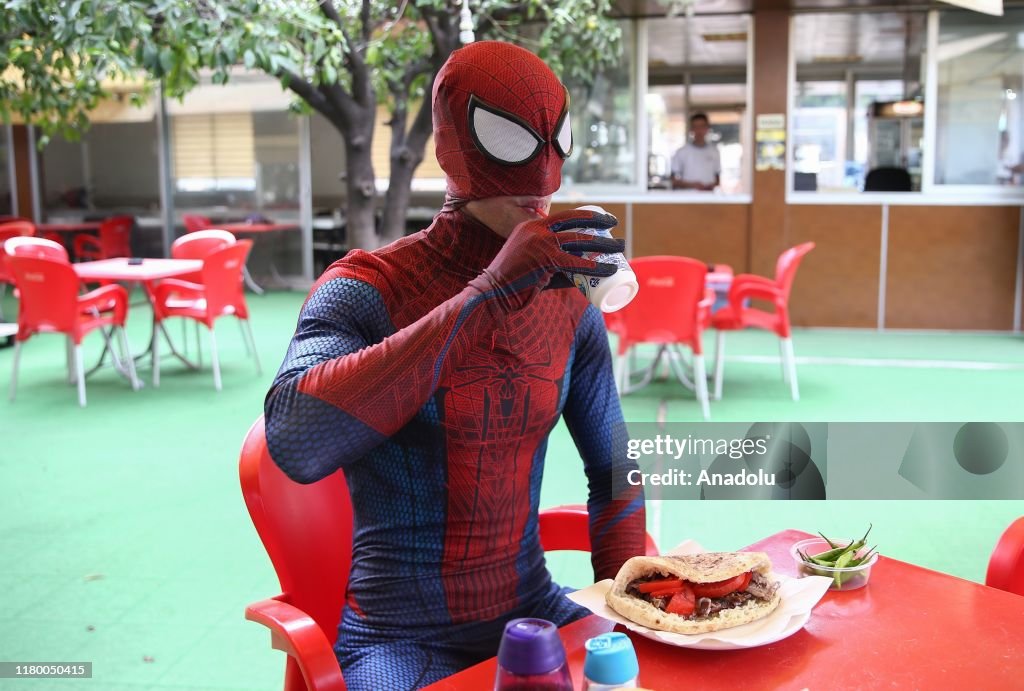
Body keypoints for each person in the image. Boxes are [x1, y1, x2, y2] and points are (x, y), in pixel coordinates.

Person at [264, 41, 647, 690]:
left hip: (535, 612)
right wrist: (485, 295)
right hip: (395, 635)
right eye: (513, 139)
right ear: (452, 149)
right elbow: (296, 439)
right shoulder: (366, 288)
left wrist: (629, 605)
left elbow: (615, 467)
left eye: (555, 141)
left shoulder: (569, 306)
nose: (541, 181)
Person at [671, 112, 721, 191]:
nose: (699, 130)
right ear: (691, 129)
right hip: (687, 198)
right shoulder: (681, 152)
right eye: (696, 127)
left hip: (709, 198)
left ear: (707, 128)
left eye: (702, 126)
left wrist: (710, 185)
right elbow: (674, 181)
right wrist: (692, 185)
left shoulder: (714, 151)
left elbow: (717, 179)